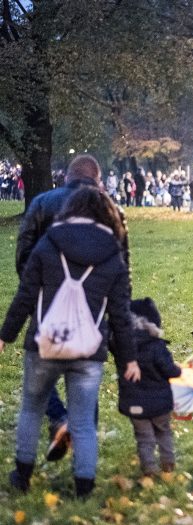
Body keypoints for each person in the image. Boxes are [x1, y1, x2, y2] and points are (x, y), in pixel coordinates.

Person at [0, 187, 140, 498]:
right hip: (89, 351)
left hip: (44, 344)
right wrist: (128, 359)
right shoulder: (113, 252)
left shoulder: (48, 243)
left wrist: (4, 336)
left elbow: (25, 295)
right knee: (83, 422)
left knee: (31, 410)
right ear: (107, 214)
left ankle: (22, 476)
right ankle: (84, 487)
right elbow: (120, 313)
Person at [14, 154, 132, 464]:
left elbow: (23, 254)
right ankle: (83, 449)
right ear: (98, 179)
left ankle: (57, 419)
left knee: (37, 372)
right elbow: (123, 267)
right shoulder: (110, 210)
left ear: (66, 177)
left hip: (45, 302)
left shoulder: (41, 203)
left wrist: (38, 291)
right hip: (94, 305)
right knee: (86, 370)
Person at [118, 297, 182, 477]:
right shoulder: (157, 347)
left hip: (135, 406)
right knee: (163, 432)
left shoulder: (122, 349)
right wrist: (179, 370)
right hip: (160, 405)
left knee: (144, 438)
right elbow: (170, 371)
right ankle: (168, 462)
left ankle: (149, 468)